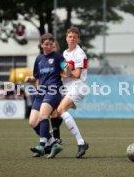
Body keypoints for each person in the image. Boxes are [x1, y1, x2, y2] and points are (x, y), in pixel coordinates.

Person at [24, 33, 69, 158]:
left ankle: (42, 145)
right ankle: (54, 142)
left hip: (54, 91)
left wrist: (67, 68)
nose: (49, 46)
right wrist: (30, 79)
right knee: (33, 122)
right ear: (41, 45)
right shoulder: (39, 59)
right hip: (41, 92)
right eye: (46, 44)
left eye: (51, 44)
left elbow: (64, 67)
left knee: (43, 115)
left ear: (53, 45)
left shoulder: (58, 57)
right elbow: (36, 76)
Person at [56, 26, 89, 158]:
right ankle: (53, 141)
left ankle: (81, 143)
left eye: (75, 37)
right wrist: (65, 72)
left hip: (78, 86)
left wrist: (67, 72)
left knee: (61, 109)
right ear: (66, 38)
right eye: (70, 37)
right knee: (54, 113)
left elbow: (76, 74)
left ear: (78, 39)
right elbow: (63, 72)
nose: (72, 39)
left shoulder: (79, 53)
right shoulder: (65, 53)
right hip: (67, 87)